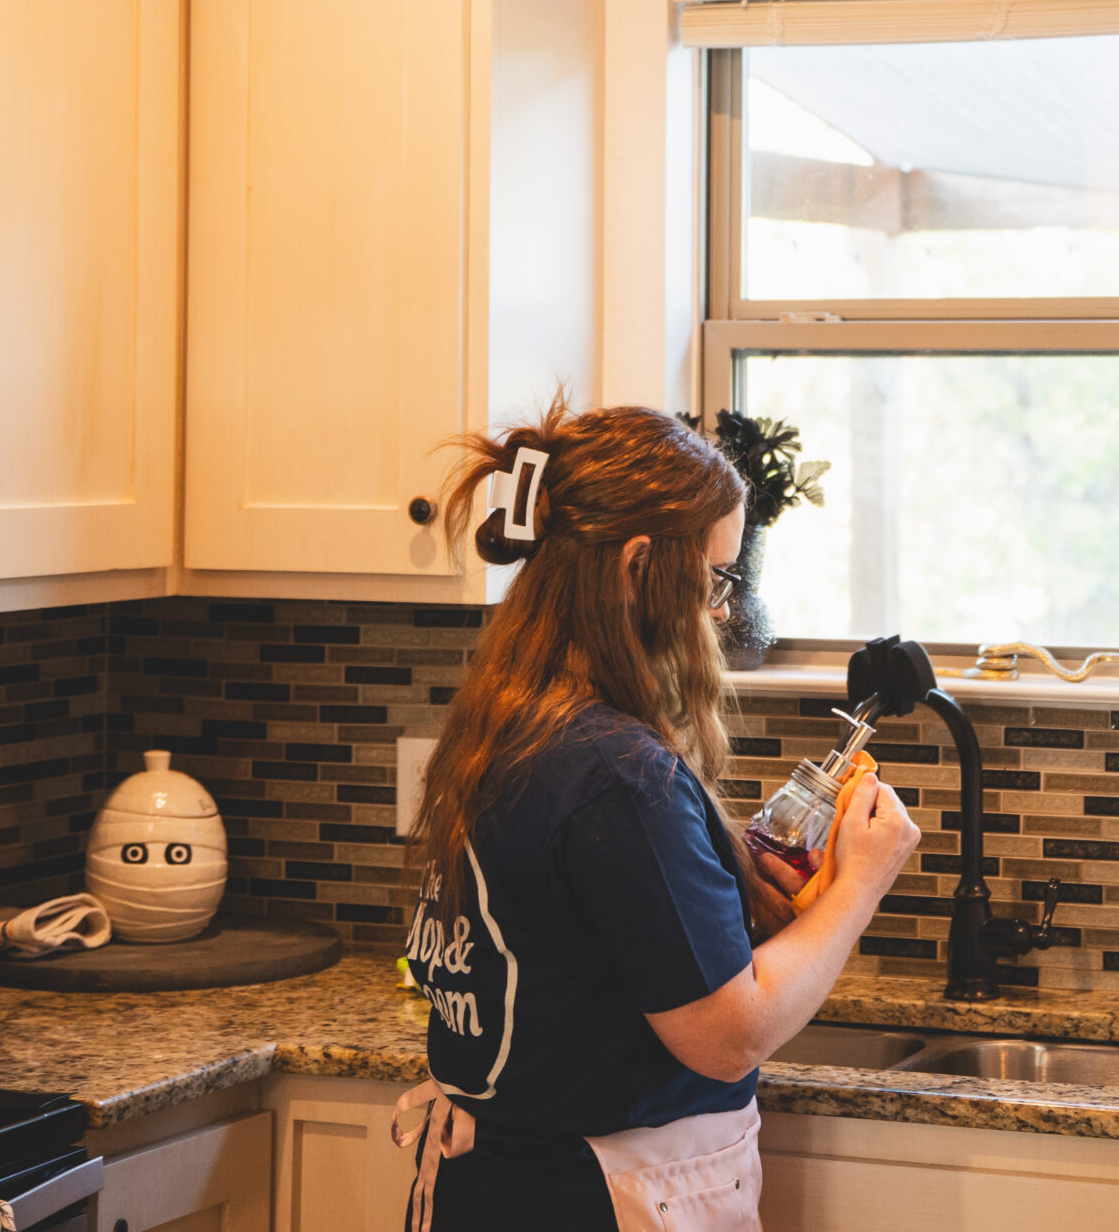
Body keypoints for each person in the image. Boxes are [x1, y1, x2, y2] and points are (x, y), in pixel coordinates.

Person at [392, 402, 919, 1232]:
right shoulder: (618, 775)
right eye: (715, 578)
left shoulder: (511, 723)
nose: (720, 611)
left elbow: (575, 942)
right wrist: (862, 880)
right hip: (588, 1199)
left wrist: (719, 885)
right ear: (640, 564)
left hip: (495, 1186)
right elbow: (728, 1034)